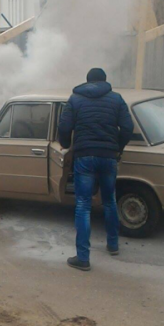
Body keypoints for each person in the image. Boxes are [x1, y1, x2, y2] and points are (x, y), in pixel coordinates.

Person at [58, 68, 134, 272]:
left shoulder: (75, 99)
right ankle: (113, 244)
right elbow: (128, 128)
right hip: (109, 157)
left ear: (87, 81)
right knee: (109, 201)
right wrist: (117, 147)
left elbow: (64, 127)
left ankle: (83, 258)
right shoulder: (117, 99)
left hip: (85, 156)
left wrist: (66, 144)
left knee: (83, 204)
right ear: (105, 81)